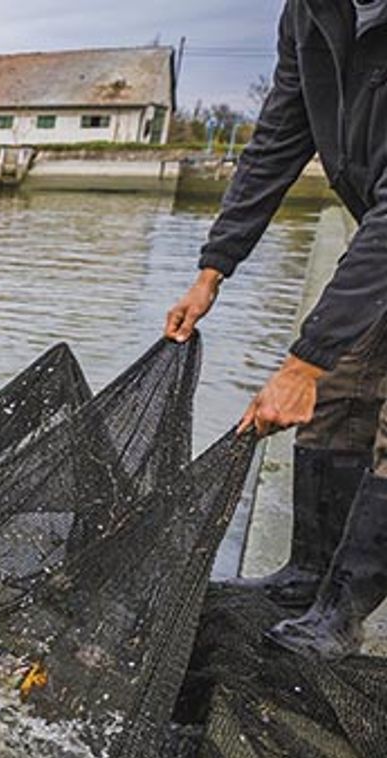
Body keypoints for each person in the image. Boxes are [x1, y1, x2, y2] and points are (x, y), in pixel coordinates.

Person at [164, 0, 387, 659]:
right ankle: (307, 576)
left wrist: (300, 366)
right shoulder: (307, 12)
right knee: (340, 389)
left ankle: (342, 613)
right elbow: (278, 139)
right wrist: (213, 268)